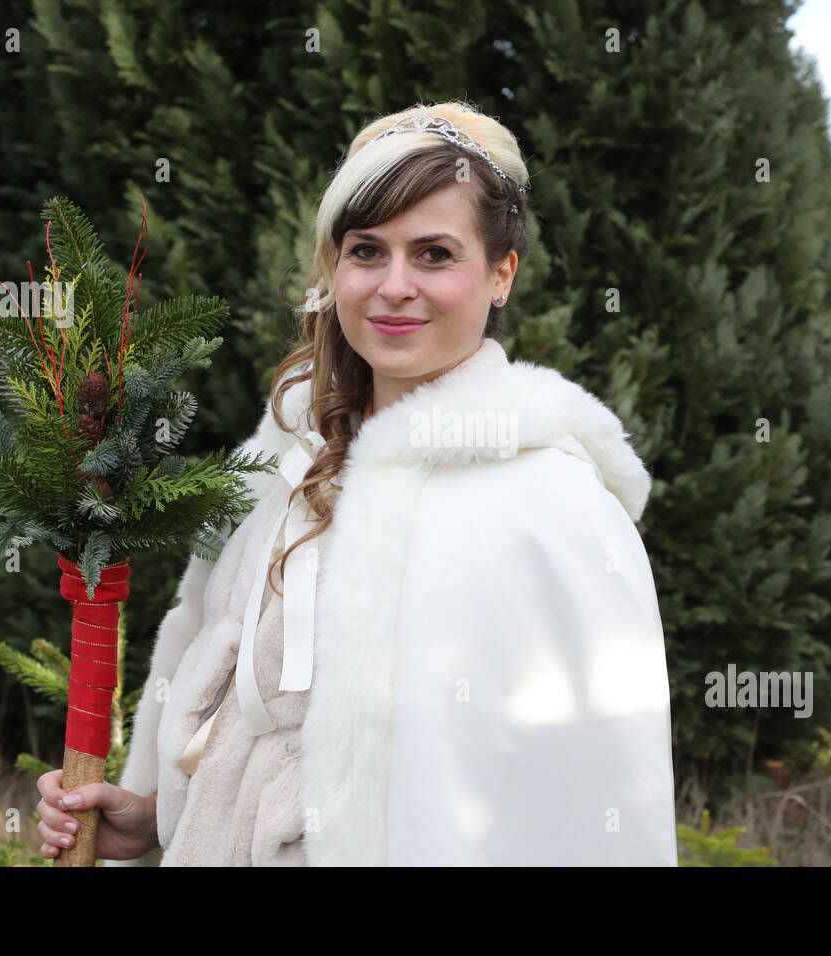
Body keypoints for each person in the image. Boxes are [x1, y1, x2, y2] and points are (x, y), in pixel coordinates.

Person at [37, 98, 677, 866]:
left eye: (434, 254)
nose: (392, 285)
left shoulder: (553, 507)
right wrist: (150, 820)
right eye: (367, 251)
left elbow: (588, 801)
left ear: (502, 273)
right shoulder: (287, 470)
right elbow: (246, 725)